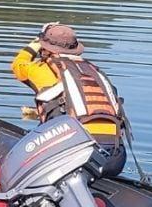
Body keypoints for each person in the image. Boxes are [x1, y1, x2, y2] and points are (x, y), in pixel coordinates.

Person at [11, 23, 128, 178]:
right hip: (116, 158)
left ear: (44, 48)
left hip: (77, 156)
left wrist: (36, 42)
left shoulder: (41, 69)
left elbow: (17, 65)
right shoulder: (95, 72)